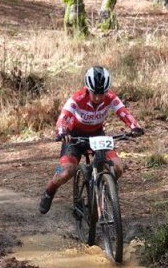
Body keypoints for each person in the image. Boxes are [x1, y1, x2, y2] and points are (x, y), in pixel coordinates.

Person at [39, 66, 144, 214]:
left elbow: (124, 112)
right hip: (73, 136)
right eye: (95, 93)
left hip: (97, 135)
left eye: (102, 93)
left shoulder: (110, 97)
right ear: (88, 89)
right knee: (64, 171)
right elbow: (63, 116)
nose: (98, 97)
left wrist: (135, 126)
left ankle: (103, 191)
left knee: (118, 167)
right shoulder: (78, 97)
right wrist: (62, 131)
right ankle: (50, 189)